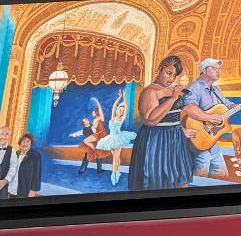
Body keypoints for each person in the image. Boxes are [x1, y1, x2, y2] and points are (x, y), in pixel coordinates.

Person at [128, 56, 196, 192]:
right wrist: (172, 99)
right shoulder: (150, 91)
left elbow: (174, 115)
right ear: (159, 70)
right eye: (168, 73)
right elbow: (149, 119)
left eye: (174, 75)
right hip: (156, 141)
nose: (171, 78)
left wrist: (181, 129)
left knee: (180, 179)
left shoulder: (172, 90)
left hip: (176, 140)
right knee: (157, 181)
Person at [182, 58, 230, 179]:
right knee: (200, 180)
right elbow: (189, 108)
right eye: (214, 68)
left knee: (222, 176)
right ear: (203, 70)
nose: (218, 71)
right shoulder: (194, 88)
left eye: (218, 69)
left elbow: (227, 105)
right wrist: (209, 117)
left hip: (213, 145)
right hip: (199, 145)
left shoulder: (216, 90)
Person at [94, 90, 137, 186]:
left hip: (118, 138)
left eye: (122, 111)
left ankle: (114, 175)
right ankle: (117, 171)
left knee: (115, 157)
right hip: (110, 139)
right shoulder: (113, 117)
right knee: (116, 157)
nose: (121, 111)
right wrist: (119, 97)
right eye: (120, 110)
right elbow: (114, 106)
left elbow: (126, 107)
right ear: (117, 110)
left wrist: (124, 97)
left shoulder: (121, 119)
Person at [11, 133, 41, 198]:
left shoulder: (35, 155)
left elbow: (37, 174)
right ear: (20, 143)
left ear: (31, 143)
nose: (25, 144)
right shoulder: (16, 153)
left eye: (28, 141)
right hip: (12, 187)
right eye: (23, 141)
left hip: (25, 190)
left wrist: (33, 190)